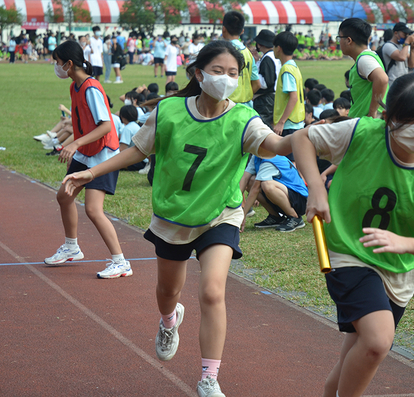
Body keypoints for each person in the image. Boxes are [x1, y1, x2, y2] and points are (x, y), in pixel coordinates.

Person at [61, 40, 293, 397]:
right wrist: (89, 174)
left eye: (233, 73)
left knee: (213, 292)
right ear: (198, 74)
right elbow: (136, 151)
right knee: (168, 291)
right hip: (173, 216)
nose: (226, 79)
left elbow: (276, 146)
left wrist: (322, 134)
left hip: (221, 215)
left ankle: (209, 378)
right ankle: (169, 320)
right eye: (218, 71)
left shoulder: (244, 119)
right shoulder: (168, 111)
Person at [291, 72, 414, 397]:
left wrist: (405, 243)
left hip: (400, 270)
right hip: (347, 249)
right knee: (376, 340)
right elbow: (303, 139)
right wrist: (316, 187)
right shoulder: (361, 131)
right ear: (387, 118)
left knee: (356, 353)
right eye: (407, 120)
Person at [45, 40, 132, 280]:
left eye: (58, 62)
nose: (56, 66)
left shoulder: (91, 88)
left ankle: (120, 262)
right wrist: (75, 143)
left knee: (94, 210)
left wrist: (74, 143)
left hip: (103, 154)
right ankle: (72, 247)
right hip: (86, 152)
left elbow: (106, 126)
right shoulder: (75, 87)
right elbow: (84, 123)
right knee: (64, 195)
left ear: (69, 64)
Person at [240, 155, 308, 232]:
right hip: (287, 193)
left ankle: (295, 217)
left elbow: (255, 189)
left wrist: (243, 215)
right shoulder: (257, 156)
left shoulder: (269, 161)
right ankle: (275, 217)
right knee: (250, 181)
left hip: (300, 200)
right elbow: (245, 178)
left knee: (267, 185)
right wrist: (236, 203)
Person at [222, 11, 260, 106]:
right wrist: (246, 97)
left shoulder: (222, 51)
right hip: (246, 107)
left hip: (227, 107)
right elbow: (257, 84)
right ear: (242, 31)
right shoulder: (248, 53)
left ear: (223, 29)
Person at [273, 31, 305, 141]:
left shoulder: (286, 69)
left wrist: (281, 122)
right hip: (296, 121)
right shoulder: (294, 66)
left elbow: (294, 97)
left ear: (279, 48)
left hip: (289, 124)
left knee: (289, 158)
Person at [252, 29, 280, 127]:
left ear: (259, 44)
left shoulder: (267, 58)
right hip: (274, 96)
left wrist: (252, 76)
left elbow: (265, 83)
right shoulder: (273, 56)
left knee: (262, 126)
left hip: (265, 100)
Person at [381, 22, 414, 88]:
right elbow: (401, 57)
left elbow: (412, 65)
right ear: (396, 33)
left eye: (407, 34)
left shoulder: (402, 46)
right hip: (393, 83)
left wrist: (412, 49)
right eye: (404, 34)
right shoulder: (388, 45)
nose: (406, 36)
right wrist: (407, 43)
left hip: (403, 83)